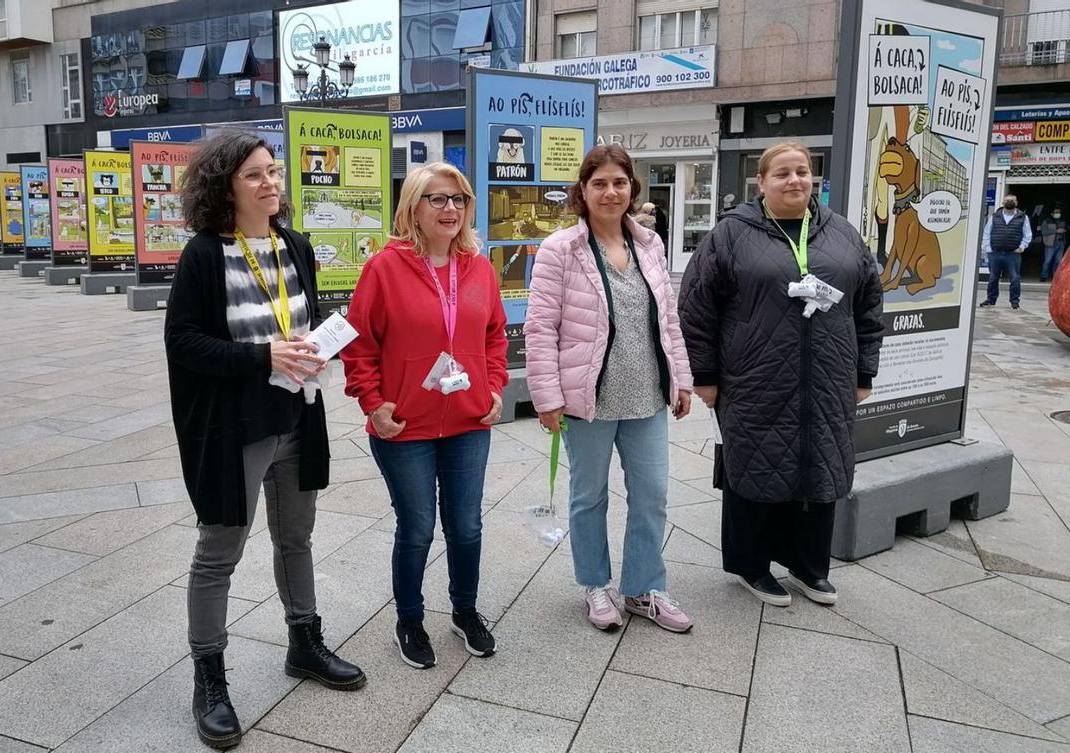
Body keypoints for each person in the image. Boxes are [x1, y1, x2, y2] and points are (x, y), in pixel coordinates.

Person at [165, 131, 365, 749]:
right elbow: (183, 342)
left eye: (273, 171)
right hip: (237, 427)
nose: (271, 183)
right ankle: (210, 677)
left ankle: (304, 642)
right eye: (254, 175)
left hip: (298, 415)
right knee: (219, 549)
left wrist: (313, 349)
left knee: (296, 536)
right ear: (225, 185)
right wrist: (264, 355)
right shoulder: (204, 254)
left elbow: (298, 319)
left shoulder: (293, 244)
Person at [677, 141, 884, 608]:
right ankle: (752, 565)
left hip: (828, 378)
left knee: (820, 467)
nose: (795, 181)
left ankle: (810, 565)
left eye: (803, 172)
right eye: (783, 174)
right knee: (756, 467)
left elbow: (869, 306)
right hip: (755, 377)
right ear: (762, 182)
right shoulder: (731, 235)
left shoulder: (843, 234)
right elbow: (696, 308)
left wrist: (863, 371)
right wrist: (704, 375)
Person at [341, 162, 508, 670]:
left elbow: (494, 337)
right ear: (412, 206)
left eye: (458, 198)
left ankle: (465, 611)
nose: (450, 208)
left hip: (467, 420)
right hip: (403, 426)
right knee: (416, 527)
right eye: (436, 198)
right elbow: (359, 344)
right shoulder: (384, 268)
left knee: (467, 526)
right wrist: (373, 402)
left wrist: (495, 387)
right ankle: (409, 620)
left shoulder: (479, 266)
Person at [525, 144, 695, 634]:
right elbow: (540, 328)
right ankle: (595, 585)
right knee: (589, 495)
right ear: (583, 191)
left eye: (619, 182)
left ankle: (642, 588)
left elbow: (668, 320)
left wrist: (680, 377)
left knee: (652, 494)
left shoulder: (649, 245)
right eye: (599, 183)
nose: (610, 192)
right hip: (588, 398)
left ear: (632, 189)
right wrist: (548, 397)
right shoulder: (562, 248)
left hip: (646, 393)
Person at [979, 194, 1032, 309]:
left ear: (1016, 203)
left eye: (1012, 200)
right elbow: (987, 232)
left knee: (1014, 278)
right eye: (1007, 200)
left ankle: (1014, 301)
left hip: (1013, 253)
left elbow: (1027, 234)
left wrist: (1022, 247)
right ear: (1003, 203)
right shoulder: (995, 216)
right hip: (995, 253)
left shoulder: (1023, 217)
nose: (1009, 202)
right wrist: (988, 248)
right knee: (993, 278)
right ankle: (991, 300)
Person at [1039, 204, 1066, 282]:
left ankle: (1056, 277)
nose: (1058, 213)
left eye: (1059, 212)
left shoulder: (1062, 221)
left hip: (1061, 243)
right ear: (1052, 213)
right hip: (1050, 244)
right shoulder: (1046, 221)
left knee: (1058, 261)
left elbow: (1066, 228)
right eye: (1056, 212)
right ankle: (1043, 276)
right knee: (1047, 261)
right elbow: (1044, 232)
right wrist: (1056, 231)